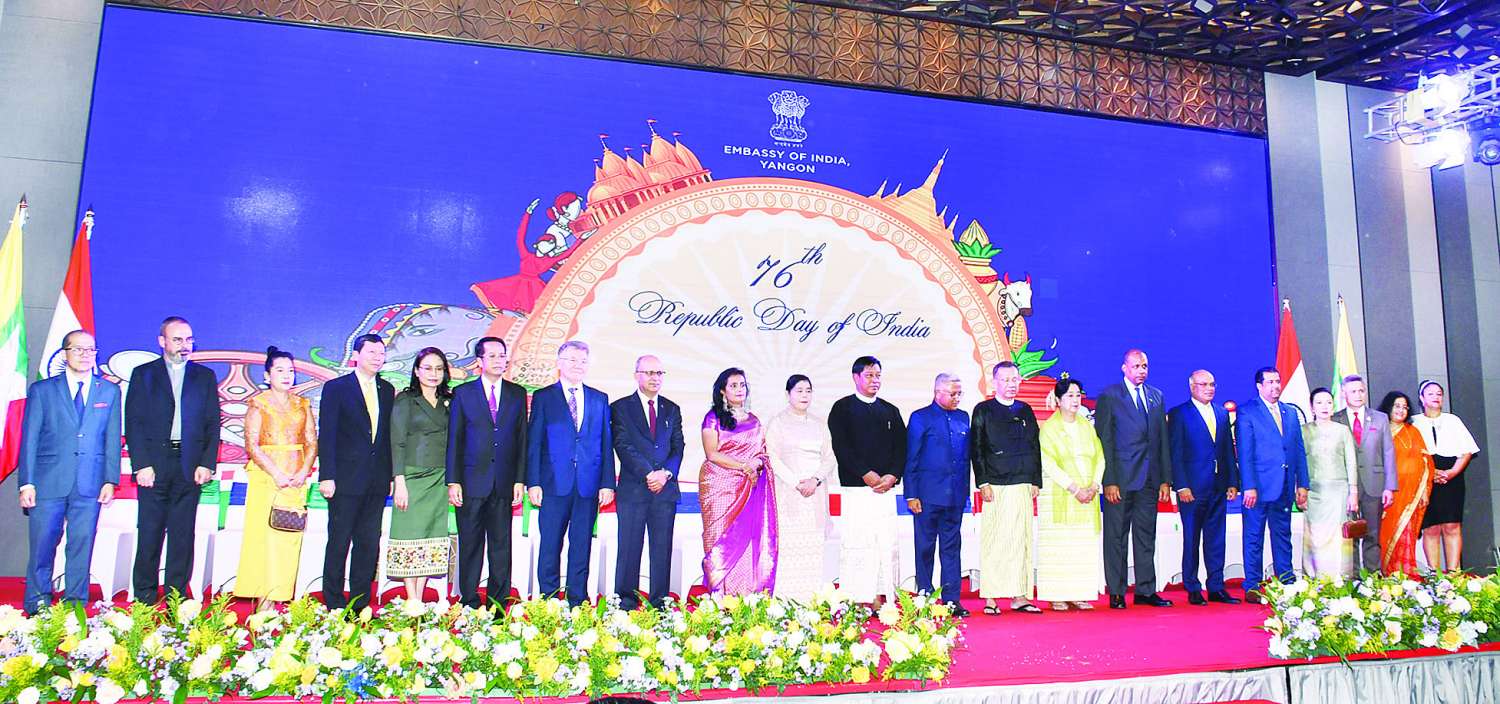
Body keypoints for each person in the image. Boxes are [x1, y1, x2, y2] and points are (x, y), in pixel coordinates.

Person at [16, 330, 120, 615]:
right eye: (78, 349)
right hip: (48, 481)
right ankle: (38, 603)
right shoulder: (43, 390)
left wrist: (110, 479)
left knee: (81, 546)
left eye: (91, 350)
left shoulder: (109, 391)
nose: (85, 355)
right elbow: (29, 439)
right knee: (43, 545)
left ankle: (75, 607)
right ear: (65, 353)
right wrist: (27, 483)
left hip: (90, 482)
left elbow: (112, 438)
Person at [127, 316, 221, 604]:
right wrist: (141, 465)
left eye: (189, 339)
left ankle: (176, 598)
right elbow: (134, 423)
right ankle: (144, 596)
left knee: (182, 535)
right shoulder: (143, 374)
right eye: (178, 339)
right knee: (150, 532)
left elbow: (212, 424)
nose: (185, 345)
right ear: (162, 341)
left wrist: (207, 463)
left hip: (189, 464)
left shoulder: (204, 376)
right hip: (154, 465)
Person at [527, 340, 615, 605]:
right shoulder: (544, 397)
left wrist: (607, 483)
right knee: (550, 545)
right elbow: (534, 442)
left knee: (581, 545)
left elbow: (605, 443)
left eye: (583, 361)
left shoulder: (600, 398)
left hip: (588, 485)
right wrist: (533, 482)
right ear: (559, 363)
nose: (578, 365)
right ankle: (549, 601)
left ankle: (577, 600)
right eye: (572, 360)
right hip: (553, 484)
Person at [447, 337, 527, 609]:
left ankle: (498, 603)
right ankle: (469, 601)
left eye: (502, 355)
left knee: (501, 546)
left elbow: (522, 439)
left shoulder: (517, 393)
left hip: (504, 482)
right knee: (470, 544)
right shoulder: (463, 393)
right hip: (470, 481)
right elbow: (455, 438)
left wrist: (520, 479)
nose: (498, 360)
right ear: (479, 361)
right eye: (492, 356)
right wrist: (453, 480)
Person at [234, 347, 316, 611]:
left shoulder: (302, 404)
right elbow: (252, 445)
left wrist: (303, 471)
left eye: (291, 370)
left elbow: (312, 442)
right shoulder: (259, 403)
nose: (287, 375)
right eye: (280, 370)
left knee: (287, 541)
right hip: (266, 480)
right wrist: (276, 473)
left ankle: (279, 599)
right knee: (263, 540)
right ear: (267, 375)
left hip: (295, 481)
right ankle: (262, 606)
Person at [318, 333, 396, 612]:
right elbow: (327, 434)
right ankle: (334, 602)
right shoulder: (336, 388)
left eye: (381, 353)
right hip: (344, 480)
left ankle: (360, 602)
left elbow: (386, 437)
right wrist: (327, 475)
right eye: (372, 352)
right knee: (339, 542)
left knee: (368, 543)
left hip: (376, 480)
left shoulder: (387, 389)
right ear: (356, 355)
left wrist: (389, 476)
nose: (377, 357)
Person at [1094, 349, 1173, 609]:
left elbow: (1162, 440)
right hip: (1120, 480)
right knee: (1116, 536)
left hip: (1149, 479)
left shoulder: (1156, 396)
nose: (1141, 371)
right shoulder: (1110, 396)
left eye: (1145, 366)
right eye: (1136, 366)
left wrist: (1164, 479)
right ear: (1124, 368)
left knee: (1146, 536)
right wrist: (1109, 480)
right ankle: (1117, 591)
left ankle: (1145, 590)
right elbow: (1104, 440)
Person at [828, 356, 905, 604]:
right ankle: (858, 597)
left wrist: (892, 475)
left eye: (878, 376)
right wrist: (866, 474)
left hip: (885, 489)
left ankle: (883, 596)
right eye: (869, 375)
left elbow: (902, 447)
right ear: (856, 377)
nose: (875, 380)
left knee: (885, 543)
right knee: (858, 543)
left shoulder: (890, 410)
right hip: (857, 489)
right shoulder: (842, 408)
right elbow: (842, 447)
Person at [610, 355, 684, 610]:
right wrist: (649, 474)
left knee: (662, 550)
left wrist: (665, 474)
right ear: (636, 375)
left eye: (659, 373)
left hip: (665, 491)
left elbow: (678, 446)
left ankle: (660, 604)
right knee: (629, 549)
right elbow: (622, 444)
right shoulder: (620, 407)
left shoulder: (672, 409)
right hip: (634, 490)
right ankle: (625, 604)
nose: (655, 378)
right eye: (649, 373)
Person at [970, 361, 1042, 615]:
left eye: (1014, 380)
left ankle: (1020, 595)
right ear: (995, 382)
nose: (1011, 385)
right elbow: (977, 449)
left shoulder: (1025, 410)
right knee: (995, 541)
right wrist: (983, 482)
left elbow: (1034, 446)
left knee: (1021, 541)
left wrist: (1035, 480)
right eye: (1005, 380)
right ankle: (991, 597)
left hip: (1022, 482)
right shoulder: (983, 410)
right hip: (995, 484)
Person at [698, 368, 777, 594]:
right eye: (733, 385)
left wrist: (757, 463)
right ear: (722, 391)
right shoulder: (713, 418)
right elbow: (711, 453)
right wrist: (744, 466)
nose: (739, 389)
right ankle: (719, 594)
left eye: (742, 385)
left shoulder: (754, 421)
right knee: (720, 539)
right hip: (719, 486)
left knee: (747, 539)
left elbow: (762, 453)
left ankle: (743, 594)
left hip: (749, 487)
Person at [1166, 370, 1240, 605]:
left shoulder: (1221, 413)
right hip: (1192, 489)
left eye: (1212, 384)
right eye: (1203, 384)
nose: (1209, 388)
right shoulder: (1179, 414)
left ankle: (1216, 586)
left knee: (1216, 539)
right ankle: (1193, 587)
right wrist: (1181, 485)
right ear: (1192, 386)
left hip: (1218, 486)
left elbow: (1227, 450)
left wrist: (1232, 481)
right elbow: (1175, 453)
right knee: (1191, 539)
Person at [386, 347, 453, 603]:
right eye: (427, 368)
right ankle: (412, 599)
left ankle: (420, 596)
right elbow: (397, 442)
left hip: (439, 478)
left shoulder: (450, 401)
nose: (433, 373)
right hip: (412, 477)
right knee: (409, 534)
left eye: (439, 368)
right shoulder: (405, 400)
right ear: (416, 371)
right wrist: (399, 481)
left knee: (430, 536)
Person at [1237, 367, 1309, 603]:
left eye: (1278, 381)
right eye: (1270, 382)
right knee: (1254, 537)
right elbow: (1245, 452)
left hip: (1285, 486)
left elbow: (1298, 450)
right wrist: (1248, 486)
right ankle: (1253, 585)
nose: (1275, 386)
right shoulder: (1248, 411)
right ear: (1259, 386)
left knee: (1283, 535)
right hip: (1258, 488)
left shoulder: (1290, 412)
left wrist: (1302, 483)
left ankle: (1286, 580)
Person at [903, 373, 971, 616]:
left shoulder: (963, 417)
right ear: (937, 392)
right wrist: (911, 494)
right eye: (953, 394)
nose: (957, 398)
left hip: (955, 496)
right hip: (926, 496)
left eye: (959, 393)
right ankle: (925, 598)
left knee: (952, 548)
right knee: (925, 548)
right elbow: (911, 457)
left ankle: (952, 601)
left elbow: (966, 458)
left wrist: (966, 492)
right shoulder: (920, 417)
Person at [766, 374, 837, 601]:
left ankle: (810, 603)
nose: (804, 395)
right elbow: (772, 457)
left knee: (814, 549)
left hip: (815, 493)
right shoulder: (777, 423)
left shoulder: (819, 423)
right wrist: (796, 482)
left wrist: (815, 480)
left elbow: (830, 457)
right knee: (789, 548)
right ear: (788, 394)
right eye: (799, 391)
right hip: (789, 493)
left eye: (808, 390)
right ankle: (785, 601)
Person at [1036, 376, 1105, 611]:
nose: (1075, 400)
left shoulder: (1087, 426)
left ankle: (1079, 593)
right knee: (1059, 547)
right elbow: (1048, 463)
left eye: (1078, 395)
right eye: (1069, 395)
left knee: (1081, 546)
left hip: (1088, 497)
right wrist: (1075, 489)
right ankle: (1056, 594)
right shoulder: (1049, 429)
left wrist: (1094, 485)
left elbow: (1100, 457)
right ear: (1058, 400)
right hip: (1061, 496)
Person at [1331, 375, 1396, 574]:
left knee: (1372, 535)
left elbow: (1388, 452)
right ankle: (1352, 578)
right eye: (1353, 391)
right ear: (1344, 394)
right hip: (1345, 487)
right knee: (1349, 535)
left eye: (1361, 390)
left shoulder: (1380, 418)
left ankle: (1373, 577)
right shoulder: (1335, 419)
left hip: (1374, 484)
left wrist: (1390, 487)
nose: (1358, 395)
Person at [1412, 380, 1479, 572]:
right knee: (1431, 528)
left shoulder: (1453, 420)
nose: (1436, 397)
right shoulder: (1414, 422)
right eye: (1430, 394)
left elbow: (1466, 451)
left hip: (1452, 477)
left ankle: (1453, 573)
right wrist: (1430, 473)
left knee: (1452, 526)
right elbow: (1409, 455)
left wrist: (1452, 472)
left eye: (1439, 394)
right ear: (1421, 398)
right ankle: (1434, 574)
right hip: (1425, 479)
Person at [1301, 387, 1358, 578]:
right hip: (1313, 492)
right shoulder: (1304, 431)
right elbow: (1299, 463)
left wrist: (1353, 492)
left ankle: (1340, 580)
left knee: (1338, 537)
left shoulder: (1343, 431)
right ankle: (1315, 579)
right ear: (1312, 407)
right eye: (1319, 403)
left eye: (1328, 402)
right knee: (1315, 536)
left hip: (1339, 492)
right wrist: (1299, 489)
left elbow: (1351, 462)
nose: (1324, 406)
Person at [1376, 392, 1433, 577]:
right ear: (1388, 407)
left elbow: (1425, 463)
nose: (1401, 410)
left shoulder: (1412, 432)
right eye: (1397, 406)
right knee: (1385, 534)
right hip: (1385, 493)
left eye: (1405, 407)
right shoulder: (1378, 430)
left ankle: (1406, 574)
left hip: (1410, 495)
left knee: (1405, 534)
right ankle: (1387, 574)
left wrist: (1423, 491)